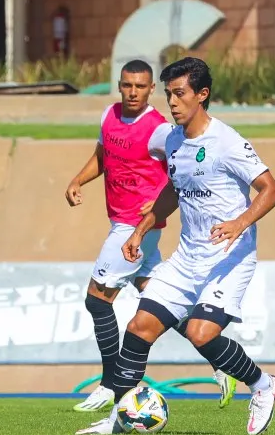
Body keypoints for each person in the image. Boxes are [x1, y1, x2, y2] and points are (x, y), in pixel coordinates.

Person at [76, 57, 275, 435]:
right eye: (169, 94)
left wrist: (239, 223)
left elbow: (272, 191)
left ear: (202, 95)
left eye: (180, 94)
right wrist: (140, 230)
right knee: (139, 328)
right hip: (187, 257)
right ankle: (119, 419)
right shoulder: (173, 140)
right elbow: (173, 188)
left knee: (201, 333)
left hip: (227, 259)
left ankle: (262, 384)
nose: (172, 103)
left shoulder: (227, 142)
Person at [66, 59, 237, 412]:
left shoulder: (159, 129)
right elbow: (103, 156)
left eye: (141, 87)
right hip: (121, 221)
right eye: (127, 85)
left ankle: (111, 383)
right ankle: (220, 360)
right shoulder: (109, 116)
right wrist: (77, 180)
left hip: (135, 226)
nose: (133, 92)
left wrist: (157, 203)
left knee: (97, 300)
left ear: (150, 90)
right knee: (161, 300)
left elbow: (179, 164)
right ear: (119, 85)